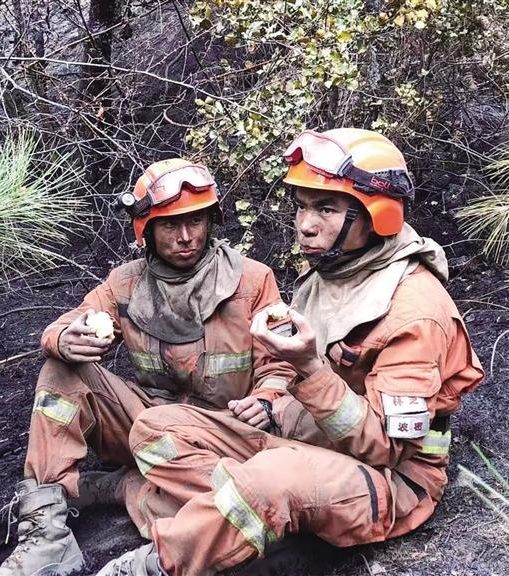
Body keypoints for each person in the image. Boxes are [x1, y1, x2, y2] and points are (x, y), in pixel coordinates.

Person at [95, 128, 485, 576]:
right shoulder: (333, 275)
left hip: (389, 480)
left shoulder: (413, 310)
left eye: (326, 209)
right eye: (301, 206)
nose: (305, 224)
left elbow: (387, 449)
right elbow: (288, 377)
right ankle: (260, 519)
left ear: (375, 214)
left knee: (270, 478)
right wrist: (269, 401)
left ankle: (155, 561)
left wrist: (310, 368)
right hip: (306, 444)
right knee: (156, 429)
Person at [0, 158, 297, 576]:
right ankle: (47, 538)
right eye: (170, 225)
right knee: (61, 370)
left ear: (211, 221)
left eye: (196, 221)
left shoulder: (253, 280)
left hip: (223, 433)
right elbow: (69, 323)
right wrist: (62, 338)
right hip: (146, 424)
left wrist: (266, 399)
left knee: (247, 500)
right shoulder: (126, 283)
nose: (186, 237)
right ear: (146, 229)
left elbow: (281, 364)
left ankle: (120, 487)